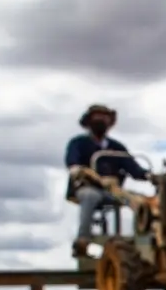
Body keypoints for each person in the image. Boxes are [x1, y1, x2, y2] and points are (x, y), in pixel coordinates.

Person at [64, 104, 150, 257]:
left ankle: (143, 242)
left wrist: (151, 176)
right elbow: (73, 166)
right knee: (90, 196)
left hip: (113, 191)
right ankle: (83, 240)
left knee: (141, 202)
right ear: (89, 121)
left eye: (104, 117)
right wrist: (95, 176)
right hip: (87, 187)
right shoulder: (78, 143)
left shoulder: (116, 147)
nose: (101, 120)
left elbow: (134, 170)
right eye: (97, 117)